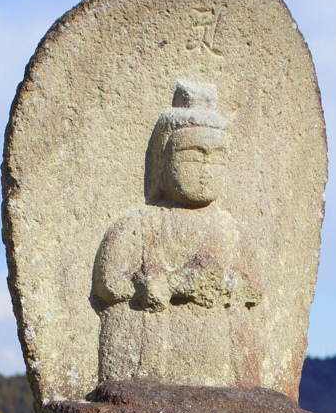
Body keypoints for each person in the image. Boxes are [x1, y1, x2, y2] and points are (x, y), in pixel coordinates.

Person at [92, 80, 262, 387]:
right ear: (163, 161)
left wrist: (224, 285)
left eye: (217, 158)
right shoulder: (138, 224)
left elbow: (254, 290)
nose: (206, 170)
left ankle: (240, 389)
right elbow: (108, 284)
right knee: (129, 316)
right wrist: (161, 284)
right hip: (156, 349)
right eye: (194, 156)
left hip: (219, 356)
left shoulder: (231, 231)